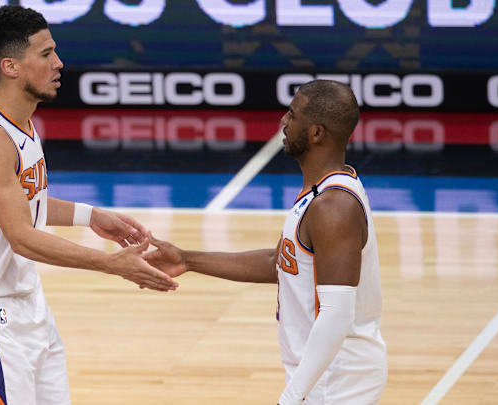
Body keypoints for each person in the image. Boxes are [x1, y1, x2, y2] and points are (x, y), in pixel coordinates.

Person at [0, 5, 178, 405]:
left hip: (26, 300)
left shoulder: (22, 121)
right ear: (11, 66)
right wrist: (110, 264)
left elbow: (24, 202)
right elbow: (22, 237)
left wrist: (93, 217)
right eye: (46, 53)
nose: (59, 63)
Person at [144, 80, 387, 404]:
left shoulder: (333, 207)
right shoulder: (322, 194)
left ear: (316, 133)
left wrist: (292, 397)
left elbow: (336, 314)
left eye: (293, 114)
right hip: (325, 376)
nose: (283, 123)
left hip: (336, 382)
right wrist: (188, 260)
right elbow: (281, 263)